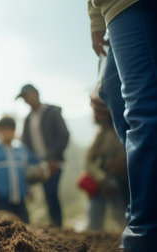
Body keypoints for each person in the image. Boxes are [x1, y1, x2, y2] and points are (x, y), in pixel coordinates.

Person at [88, 0, 157, 250]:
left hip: (131, 5)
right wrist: (95, 17)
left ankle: (145, 235)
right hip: (111, 10)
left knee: (145, 110)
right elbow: (90, 159)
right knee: (113, 94)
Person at [16, 83, 70, 227]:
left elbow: (63, 136)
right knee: (47, 193)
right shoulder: (28, 119)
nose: (26, 100)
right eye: (24, 99)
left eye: (27, 96)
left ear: (36, 94)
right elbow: (26, 144)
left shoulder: (52, 112)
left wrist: (52, 157)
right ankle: (54, 222)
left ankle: (57, 223)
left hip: (54, 162)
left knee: (52, 192)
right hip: (38, 164)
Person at [0, 116, 43, 223]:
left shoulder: (21, 149)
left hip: (20, 200)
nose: (8, 133)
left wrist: (29, 189)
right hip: (1, 201)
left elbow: (28, 168)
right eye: (4, 130)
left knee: (25, 226)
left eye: (10, 130)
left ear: (14, 131)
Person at [84, 96, 128, 230]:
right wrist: (102, 178)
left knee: (124, 219)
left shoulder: (127, 128)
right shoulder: (102, 133)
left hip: (125, 183)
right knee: (95, 215)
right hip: (104, 182)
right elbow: (88, 161)